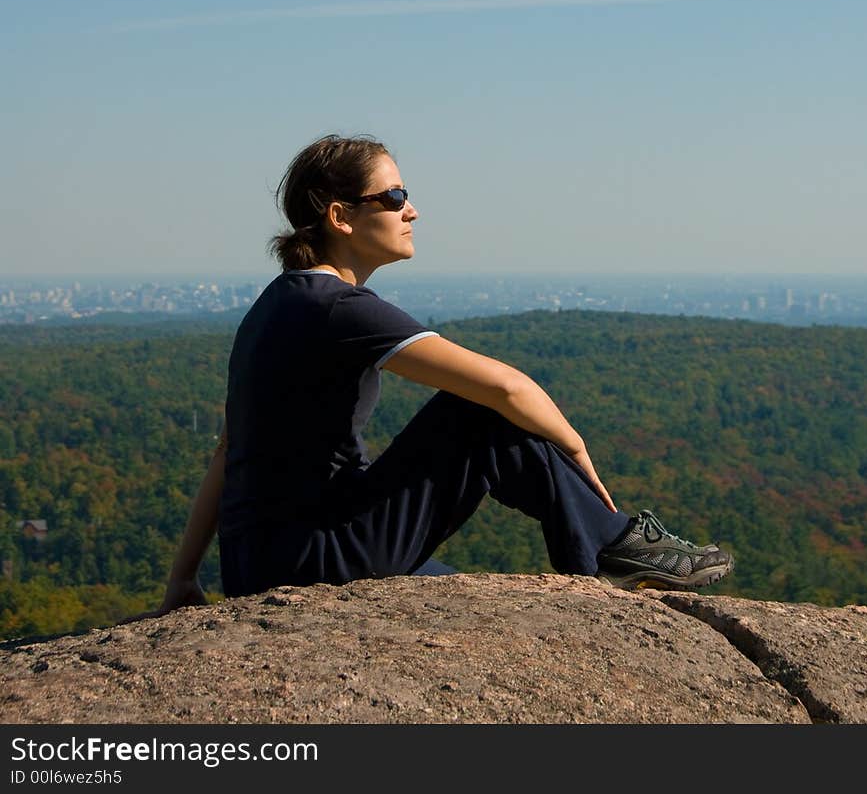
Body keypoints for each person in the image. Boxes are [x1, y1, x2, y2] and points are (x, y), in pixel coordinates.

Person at [158, 133, 733, 611]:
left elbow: (226, 452)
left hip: (262, 563)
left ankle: (603, 558)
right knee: (476, 413)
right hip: (319, 555)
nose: (412, 209)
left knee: (460, 594)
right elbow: (507, 387)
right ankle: (612, 550)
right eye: (394, 195)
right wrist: (579, 457)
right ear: (341, 217)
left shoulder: (275, 305)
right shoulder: (334, 307)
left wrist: (183, 579)